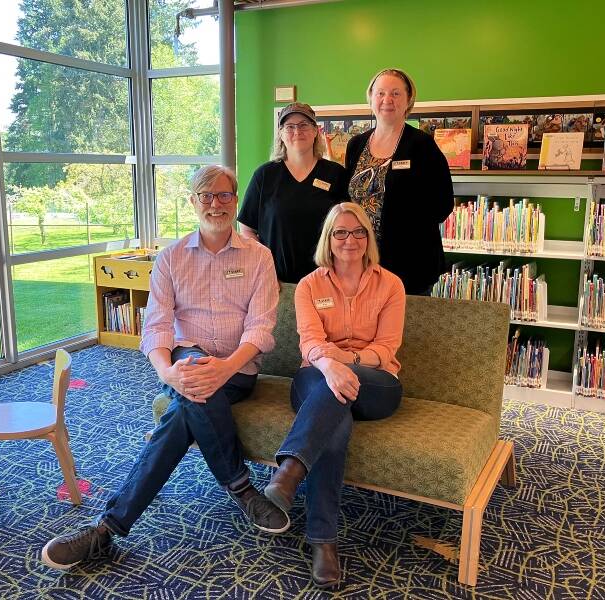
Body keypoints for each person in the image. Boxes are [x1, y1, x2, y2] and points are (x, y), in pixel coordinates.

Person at [41, 165, 289, 570]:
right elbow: (155, 327)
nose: (215, 204)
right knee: (191, 375)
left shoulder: (259, 257)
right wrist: (166, 373)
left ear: (236, 201)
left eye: (224, 195)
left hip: (237, 370)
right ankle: (242, 489)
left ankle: (106, 530)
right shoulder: (172, 258)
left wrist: (224, 368)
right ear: (192, 202)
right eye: (205, 196)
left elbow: (261, 329)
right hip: (185, 364)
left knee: (179, 414)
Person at [264, 202, 405, 588]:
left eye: (358, 232)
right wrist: (329, 365)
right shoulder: (310, 286)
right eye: (340, 232)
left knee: (336, 392)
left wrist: (343, 359)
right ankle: (323, 541)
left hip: (376, 383)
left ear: (368, 238)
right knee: (334, 425)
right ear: (329, 239)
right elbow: (310, 343)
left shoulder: (390, 284)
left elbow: (386, 348)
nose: (350, 240)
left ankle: (289, 471)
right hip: (316, 377)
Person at [344, 68, 454, 295]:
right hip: (361, 260)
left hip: (410, 263)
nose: (387, 100)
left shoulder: (422, 145)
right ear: (371, 98)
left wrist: (405, 228)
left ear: (408, 101)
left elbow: (443, 203)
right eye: (380, 93)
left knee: (403, 329)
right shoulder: (356, 145)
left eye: (395, 94)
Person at [239, 102, 347, 283]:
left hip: (326, 281)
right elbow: (247, 230)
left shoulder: (335, 174)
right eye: (289, 126)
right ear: (281, 134)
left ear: (315, 131)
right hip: (276, 282)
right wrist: (265, 268)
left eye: (304, 125)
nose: (297, 131)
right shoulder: (265, 175)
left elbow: (347, 228)